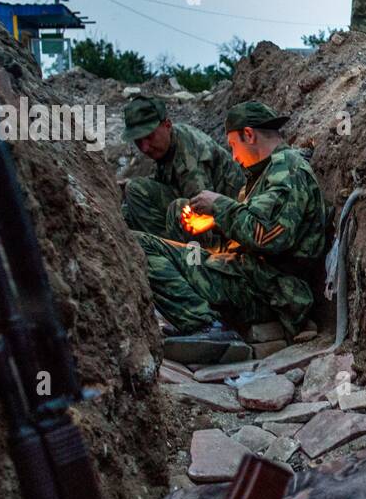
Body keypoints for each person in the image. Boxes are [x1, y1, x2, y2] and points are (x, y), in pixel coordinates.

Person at [134, 101, 328, 339]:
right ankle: (201, 318)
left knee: (140, 246)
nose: (234, 157)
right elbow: (256, 226)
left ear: (249, 134)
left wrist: (219, 205)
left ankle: (205, 325)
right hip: (252, 277)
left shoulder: (287, 169)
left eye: (233, 146)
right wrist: (214, 222)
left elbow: (268, 236)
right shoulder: (265, 173)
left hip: (268, 291)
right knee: (176, 215)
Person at [121, 95, 244, 244]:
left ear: (167, 125)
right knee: (131, 201)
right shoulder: (169, 142)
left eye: (149, 136)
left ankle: (169, 253)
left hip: (229, 229)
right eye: (138, 141)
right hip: (211, 214)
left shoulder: (189, 158)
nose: (145, 147)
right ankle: (160, 245)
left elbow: (202, 213)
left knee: (179, 208)